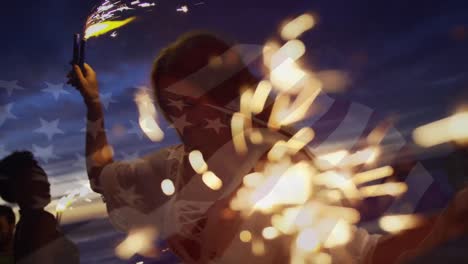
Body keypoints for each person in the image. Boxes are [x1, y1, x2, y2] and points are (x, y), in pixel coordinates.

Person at [68, 32, 468, 263]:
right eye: (169, 108)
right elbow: (101, 177)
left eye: (191, 105)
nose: (180, 122)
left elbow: (360, 256)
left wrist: (446, 224)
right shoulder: (169, 167)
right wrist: (94, 106)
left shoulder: (284, 167)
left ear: (230, 96)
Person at [0, 151, 80, 264]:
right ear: (20, 188)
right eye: (38, 182)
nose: (47, 185)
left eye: (45, 180)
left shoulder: (29, 224)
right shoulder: (38, 223)